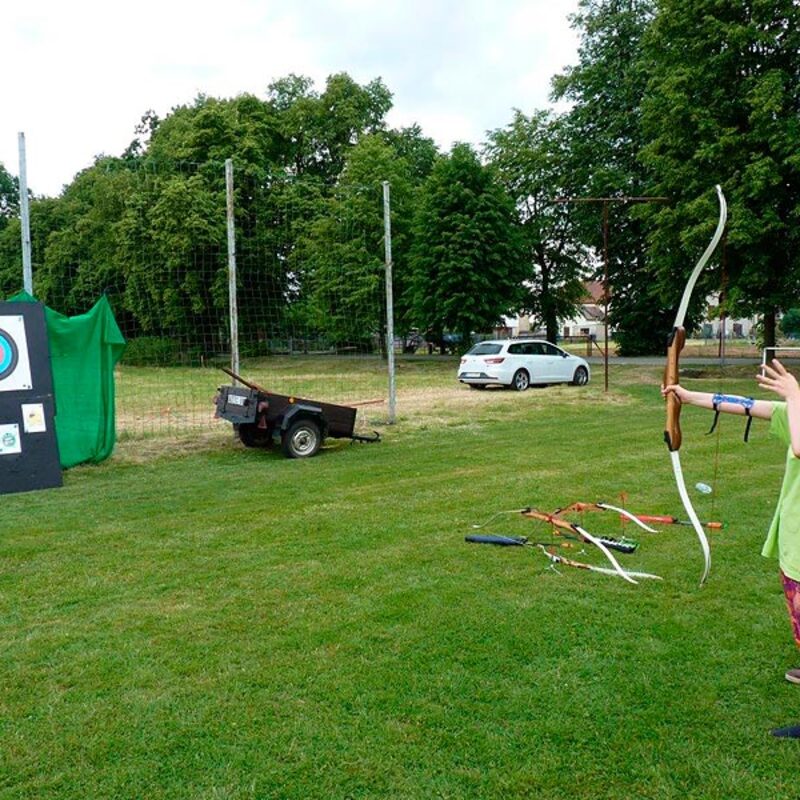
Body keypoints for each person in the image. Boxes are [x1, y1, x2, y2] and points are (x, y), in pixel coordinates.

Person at [662, 358, 800, 739]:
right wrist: (687, 396)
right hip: (793, 547)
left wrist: (794, 394)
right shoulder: (796, 413)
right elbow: (744, 405)